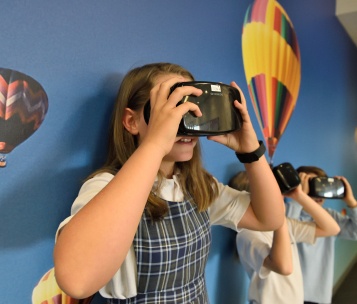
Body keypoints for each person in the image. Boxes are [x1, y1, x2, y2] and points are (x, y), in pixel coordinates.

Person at [53, 62, 285, 303]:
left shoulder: (196, 186)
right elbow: (76, 281)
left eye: (193, 109)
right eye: (172, 108)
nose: (184, 120)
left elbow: (269, 218)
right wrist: (155, 144)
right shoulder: (106, 187)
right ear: (131, 121)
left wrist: (251, 152)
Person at [231, 170, 340, 304]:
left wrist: (300, 196)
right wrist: (280, 215)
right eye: (273, 192)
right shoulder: (246, 235)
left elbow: (332, 229)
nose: (280, 196)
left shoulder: (286, 225)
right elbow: (284, 267)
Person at [285, 166, 357, 304]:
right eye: (311, 185)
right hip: (289, 295)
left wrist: (351, 202)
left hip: (318, 296)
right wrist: (299, 198)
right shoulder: (287, 212)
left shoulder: (330, 217)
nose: (318, 193)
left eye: (321, 185)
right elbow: (283, 236)